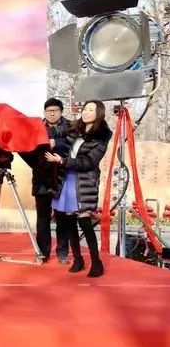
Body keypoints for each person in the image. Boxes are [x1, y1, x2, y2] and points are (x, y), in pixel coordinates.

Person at [45, 100, 112, 277]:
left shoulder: (101, 137)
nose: (86, 112)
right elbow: (56, 134)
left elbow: (88, 162)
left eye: (91, 110)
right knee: (68, 222)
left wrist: (62, 161)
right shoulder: (74, 129)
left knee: (84, 222)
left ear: (98, 114)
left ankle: (96, 262)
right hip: (66, 179)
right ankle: (78, 259)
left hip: (83, 183)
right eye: (85, 109)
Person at [33, 98, 71, 263]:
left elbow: (75, 145)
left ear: (61, 112)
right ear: (44, 112)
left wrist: (58, 144)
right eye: (49, 111)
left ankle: (62, 252)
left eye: (55, 110)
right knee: (42, 218)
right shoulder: (37, 127)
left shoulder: (71, 127)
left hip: (63, 177)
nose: (52, 113)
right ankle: (43, 252)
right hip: (42, 178)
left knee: (62, 217)